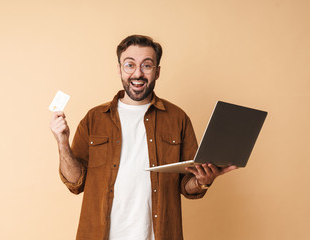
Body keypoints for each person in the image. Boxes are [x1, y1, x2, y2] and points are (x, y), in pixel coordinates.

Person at [50, 34, 237, 240]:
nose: (137, 73)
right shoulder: (94, 118)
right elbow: (76, 183)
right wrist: (62, 142)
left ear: (157, 72)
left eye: (147, 66)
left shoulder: (177, 118)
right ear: (120, 69)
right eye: (129, 65)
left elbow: (187, 185)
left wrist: (202, 180)